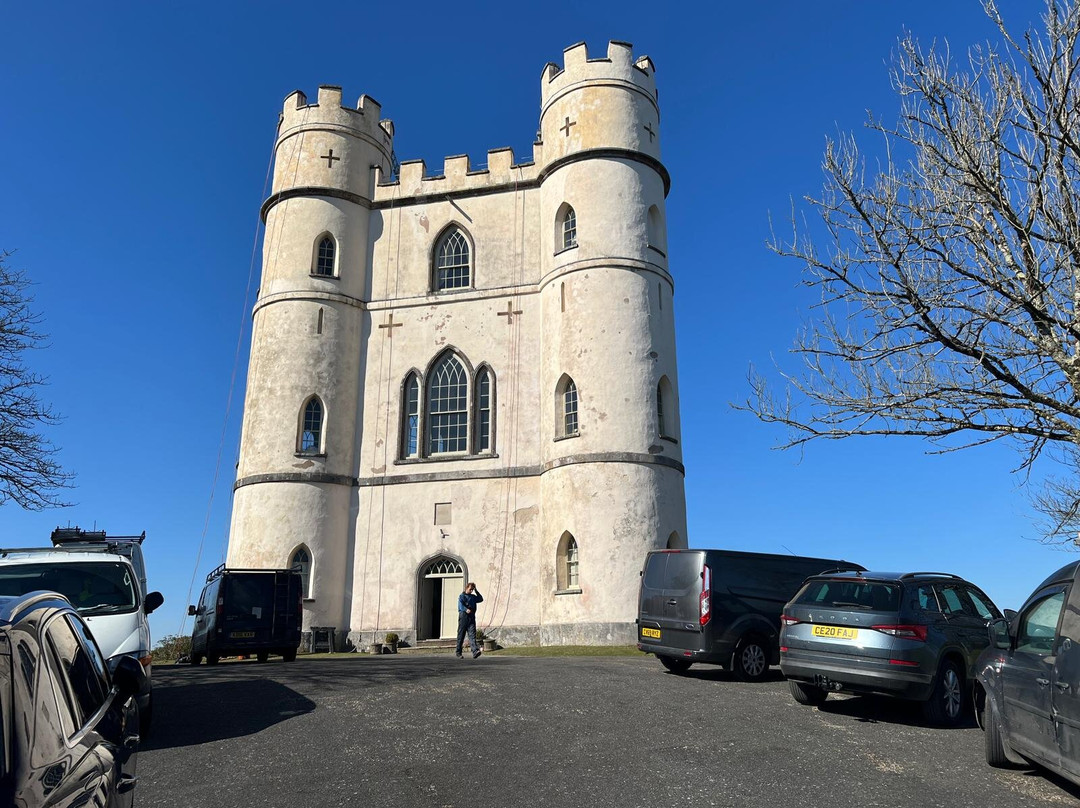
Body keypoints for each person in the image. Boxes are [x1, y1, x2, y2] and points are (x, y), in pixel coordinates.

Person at [455, 581, 484, 659]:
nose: (471, 591)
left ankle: (475, 651)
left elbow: (481, 599)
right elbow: (460, 605)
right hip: (464, 616)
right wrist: (465, 609)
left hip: (471, 617)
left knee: (472, 635)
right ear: (467, 588)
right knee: (461, 635)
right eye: (470, 589)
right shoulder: (462, 596)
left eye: (472, 590)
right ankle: (458, 652)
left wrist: (476, 591)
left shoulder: (473, 597)